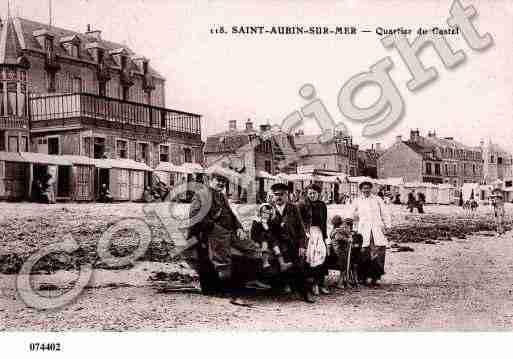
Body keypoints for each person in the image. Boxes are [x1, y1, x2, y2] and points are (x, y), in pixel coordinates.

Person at [188, 170, 265, 307]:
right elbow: (195, 217)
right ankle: (234, 294)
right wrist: (214, 227)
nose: (221, 183)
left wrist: (239, 227)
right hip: (212, 234)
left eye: (223, 181)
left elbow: (231, 214)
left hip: (229, 233)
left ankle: (250, 280)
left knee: (254, 249)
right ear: (210, 180)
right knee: (223, 262)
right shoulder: (201, 194)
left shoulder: (221, 196)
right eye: (218, 180)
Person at [268, 182, 314, 303]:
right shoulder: (268, 208)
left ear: (286, 195)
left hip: (292, 243)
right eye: (276, 194)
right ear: (272, 196)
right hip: (275, 245)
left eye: (281, 194)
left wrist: (302, 246)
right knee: (273, 265)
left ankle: (305, 293)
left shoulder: (293, 208)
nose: (278, 197)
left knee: (300, 265)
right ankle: (279, 290)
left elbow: (301, 229)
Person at [350, 181, 392, 287]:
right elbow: (349, 213)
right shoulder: (357, 200)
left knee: (379, 252)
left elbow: (385, 213)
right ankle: (362, 277)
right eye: (364, 188)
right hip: (363, 230)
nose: (366, 190)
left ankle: (376, 277)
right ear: (361, 189)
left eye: (368, 188)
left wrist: (388, 226)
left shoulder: (377, 200)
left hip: (376, 229)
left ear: (371, 189)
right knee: (363, 253)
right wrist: (349, 225)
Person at [298, 184, 329, 296]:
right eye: (310, 193)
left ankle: (320, 283)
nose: (312, 195)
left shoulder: (322, 205)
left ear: (318, 194)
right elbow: (299, 221)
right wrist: (304, 233)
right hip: (307, 233)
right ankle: (312, 285)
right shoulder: (302, 205)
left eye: (314, 193)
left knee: (321, 255)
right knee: (310, 256)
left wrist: (325, 238)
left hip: (319, 233)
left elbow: (324, 223)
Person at [250, 203, 293, 273]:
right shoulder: (257, 221)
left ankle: (282, 263)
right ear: (260, 213)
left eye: (268, 213)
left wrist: (281, 225)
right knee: (265, 240)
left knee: (275, 245)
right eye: (264, 212)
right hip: (262, 239)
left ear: (270, 215)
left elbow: (276, 229)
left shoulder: (270, 222)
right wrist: (256, 242)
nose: (265, 215)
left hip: (271, 240)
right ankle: (265, 262)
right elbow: (253, 233)